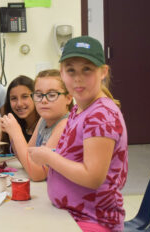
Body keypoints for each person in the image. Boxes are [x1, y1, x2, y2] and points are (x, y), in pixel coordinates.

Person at [28, 36, 128, 231]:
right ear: (62, 73)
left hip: (93, 221)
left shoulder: (100, 115)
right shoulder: (80, 109)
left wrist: (49, 157)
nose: (78, 78)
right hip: (73, 214)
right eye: (71, 70)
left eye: (87, 69)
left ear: (103, 72)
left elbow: (92, 177)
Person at [1, 69, 73, 181]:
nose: (43, 100)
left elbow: (38, 174)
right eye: (39, 95)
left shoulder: (65, 124)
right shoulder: (43, 120)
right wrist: (11, 131)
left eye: (52, 95)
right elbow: (26, 159)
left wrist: (16, 133)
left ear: (68, 98)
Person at [0, 75, 40, 154]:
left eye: (25, 96)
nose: (19, 104)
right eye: (14, 98)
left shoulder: (44, 123)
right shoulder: (12, 124)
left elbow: (28, 158)